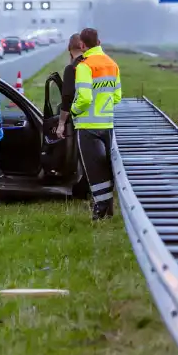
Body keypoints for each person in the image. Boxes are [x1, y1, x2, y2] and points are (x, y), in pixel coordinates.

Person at [68, 28, 121, 221]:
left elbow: (83, 98)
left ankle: (100, 210)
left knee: (94, 170)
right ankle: (107, 211)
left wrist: (72, 111)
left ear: (82, 45)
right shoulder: (112, 64)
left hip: (88, 125)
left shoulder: (84, 66)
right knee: (106, 167)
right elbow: (117, 97)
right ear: (99, 41)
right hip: (107, 123)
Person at [54, 33, 86, 141]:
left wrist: (61, 123)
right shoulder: (91, 64)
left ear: (69, 47)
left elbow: (67, 97)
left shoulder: (72, 69)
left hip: (80, 123)